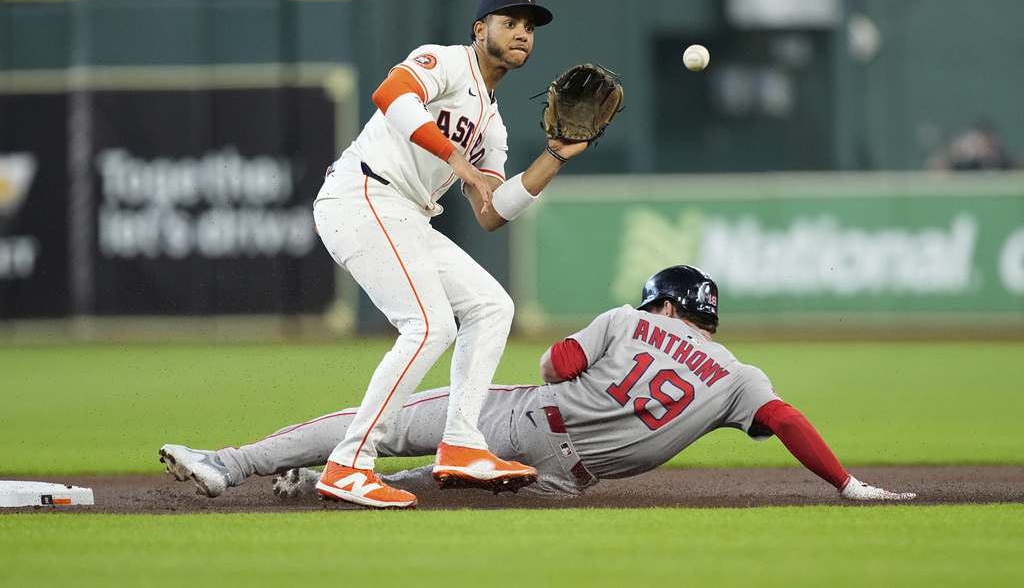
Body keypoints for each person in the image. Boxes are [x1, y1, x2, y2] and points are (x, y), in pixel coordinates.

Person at [159, 265, 916, 505]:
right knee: (435, 487)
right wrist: (846, 483)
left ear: (664, 304)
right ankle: (311, 482)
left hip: (528, 419)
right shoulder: (739, 377)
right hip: (564, 481)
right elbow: (786, 420)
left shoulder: (628, 317)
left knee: (380, 420)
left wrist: (580, 359)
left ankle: (232, 462)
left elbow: (556, 362)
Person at [311, 0, 595, 508]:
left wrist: (553, 157)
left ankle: (462, 441)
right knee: (429, 326)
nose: (522, 33)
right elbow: (390, 94)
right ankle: (349, 463)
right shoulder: (445, 61)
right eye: (509, 22)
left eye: (529, 27)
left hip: (406, 215)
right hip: (362, 194)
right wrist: (457, 159)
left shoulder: (493, 124)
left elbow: (491, 212)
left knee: (492, 306)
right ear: (480, 29)